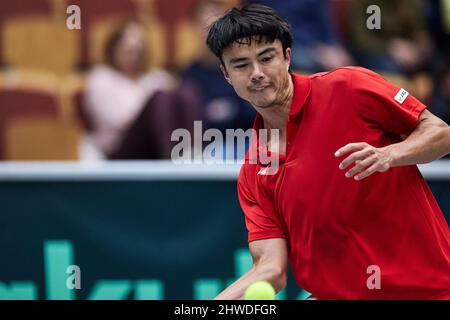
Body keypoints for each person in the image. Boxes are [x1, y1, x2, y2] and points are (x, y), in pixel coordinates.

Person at [206, 4, 450, 299]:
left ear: (286, 57)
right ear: (226, 74)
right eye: (241, 64)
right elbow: (270, 269)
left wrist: (389, 155)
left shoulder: (349, 86)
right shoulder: (255, 172)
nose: (256, 73)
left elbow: (441, 133)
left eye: (266, 58)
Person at [84, 21, 175, 159]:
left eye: (138, 51)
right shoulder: (101, 79)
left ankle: (190, 153)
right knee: (159, 98)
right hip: (118, 151)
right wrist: (153, 116)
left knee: (187, 92)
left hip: (153, 149)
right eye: (128, 51)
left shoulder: (157, 78)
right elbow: (120, 122)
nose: (134, 57)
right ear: (113, 50)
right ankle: (171, 158)